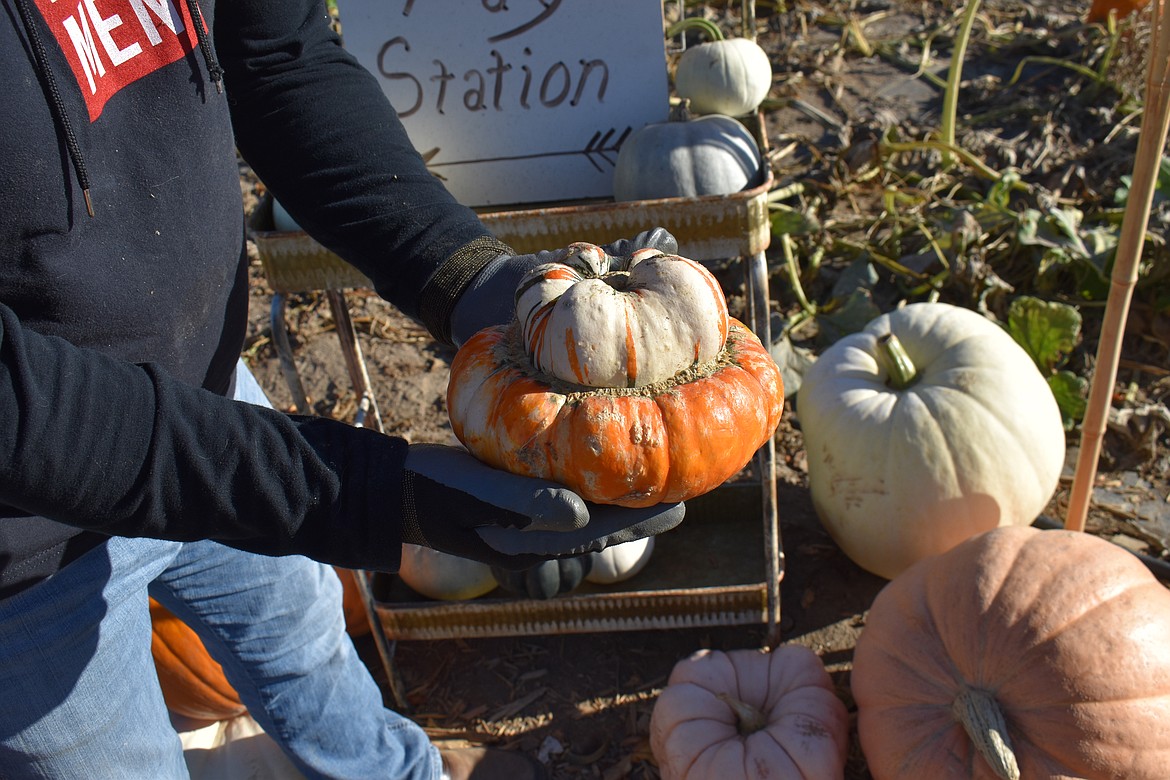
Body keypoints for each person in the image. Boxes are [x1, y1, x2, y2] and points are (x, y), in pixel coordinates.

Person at [0, 0, 685, 777]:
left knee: (301, 635)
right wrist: (356, 493)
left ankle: (396, 771)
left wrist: (465, 277)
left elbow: (279, 58)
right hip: (20, 555)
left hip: (215, 400)